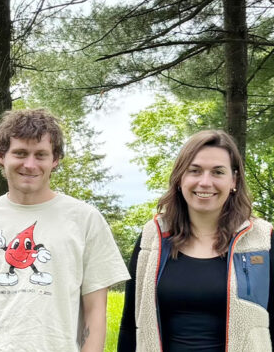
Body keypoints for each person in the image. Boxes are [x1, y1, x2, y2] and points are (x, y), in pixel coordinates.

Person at [0, 108, 129, 352]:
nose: (30, 165)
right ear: (1, 155)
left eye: (40, 155)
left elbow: (95, 311)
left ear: (55, 159)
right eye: (20, 153)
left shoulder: (85, 220)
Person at [117, 130, 273, 352]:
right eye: (195, 171)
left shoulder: (263, 239)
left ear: (234, 180)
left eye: (218, 172)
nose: (205, 182)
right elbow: (129, 326)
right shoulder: (153, 237)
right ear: (181, 178)